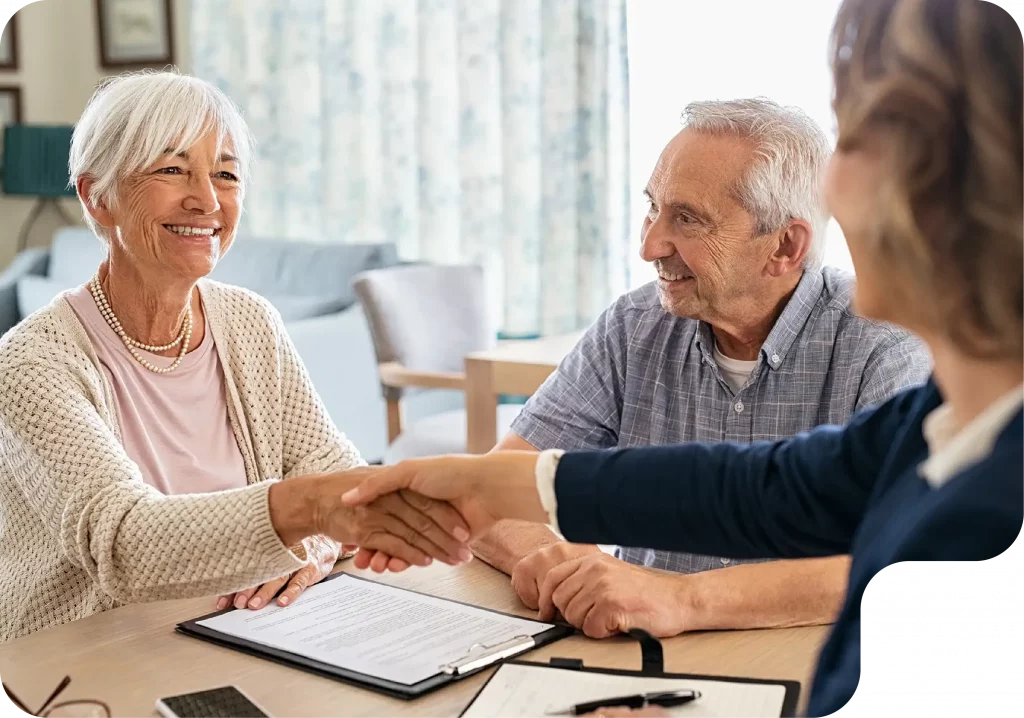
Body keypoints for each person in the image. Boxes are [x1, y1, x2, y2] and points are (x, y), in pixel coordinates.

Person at [339, 0, 1024, 715]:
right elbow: (753, 489)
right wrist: (491, 489)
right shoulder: (937, 422)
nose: (648, 246)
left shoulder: (983, 488)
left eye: (859, 138)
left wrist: (681, 597)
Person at [0, 70, 473, 642]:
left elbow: (338, 480)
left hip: (246, 632)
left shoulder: (249, 321)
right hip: (91, 654)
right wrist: (306, 512)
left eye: (225, 174)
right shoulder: (32, 364)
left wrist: (309, 547)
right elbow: (122, 545)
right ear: (97, 197)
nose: (206, 200)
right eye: (172, 170)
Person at [449, 99, 931, 638]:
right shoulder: (633, 325)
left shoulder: (884, 343)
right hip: (637, 652)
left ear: (785, 246)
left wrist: (684, 599)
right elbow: (494, 490)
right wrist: (558, 563)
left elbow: (900, 550)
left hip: (803, 658)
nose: (649, 245)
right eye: (652, 207)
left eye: (687, 218)